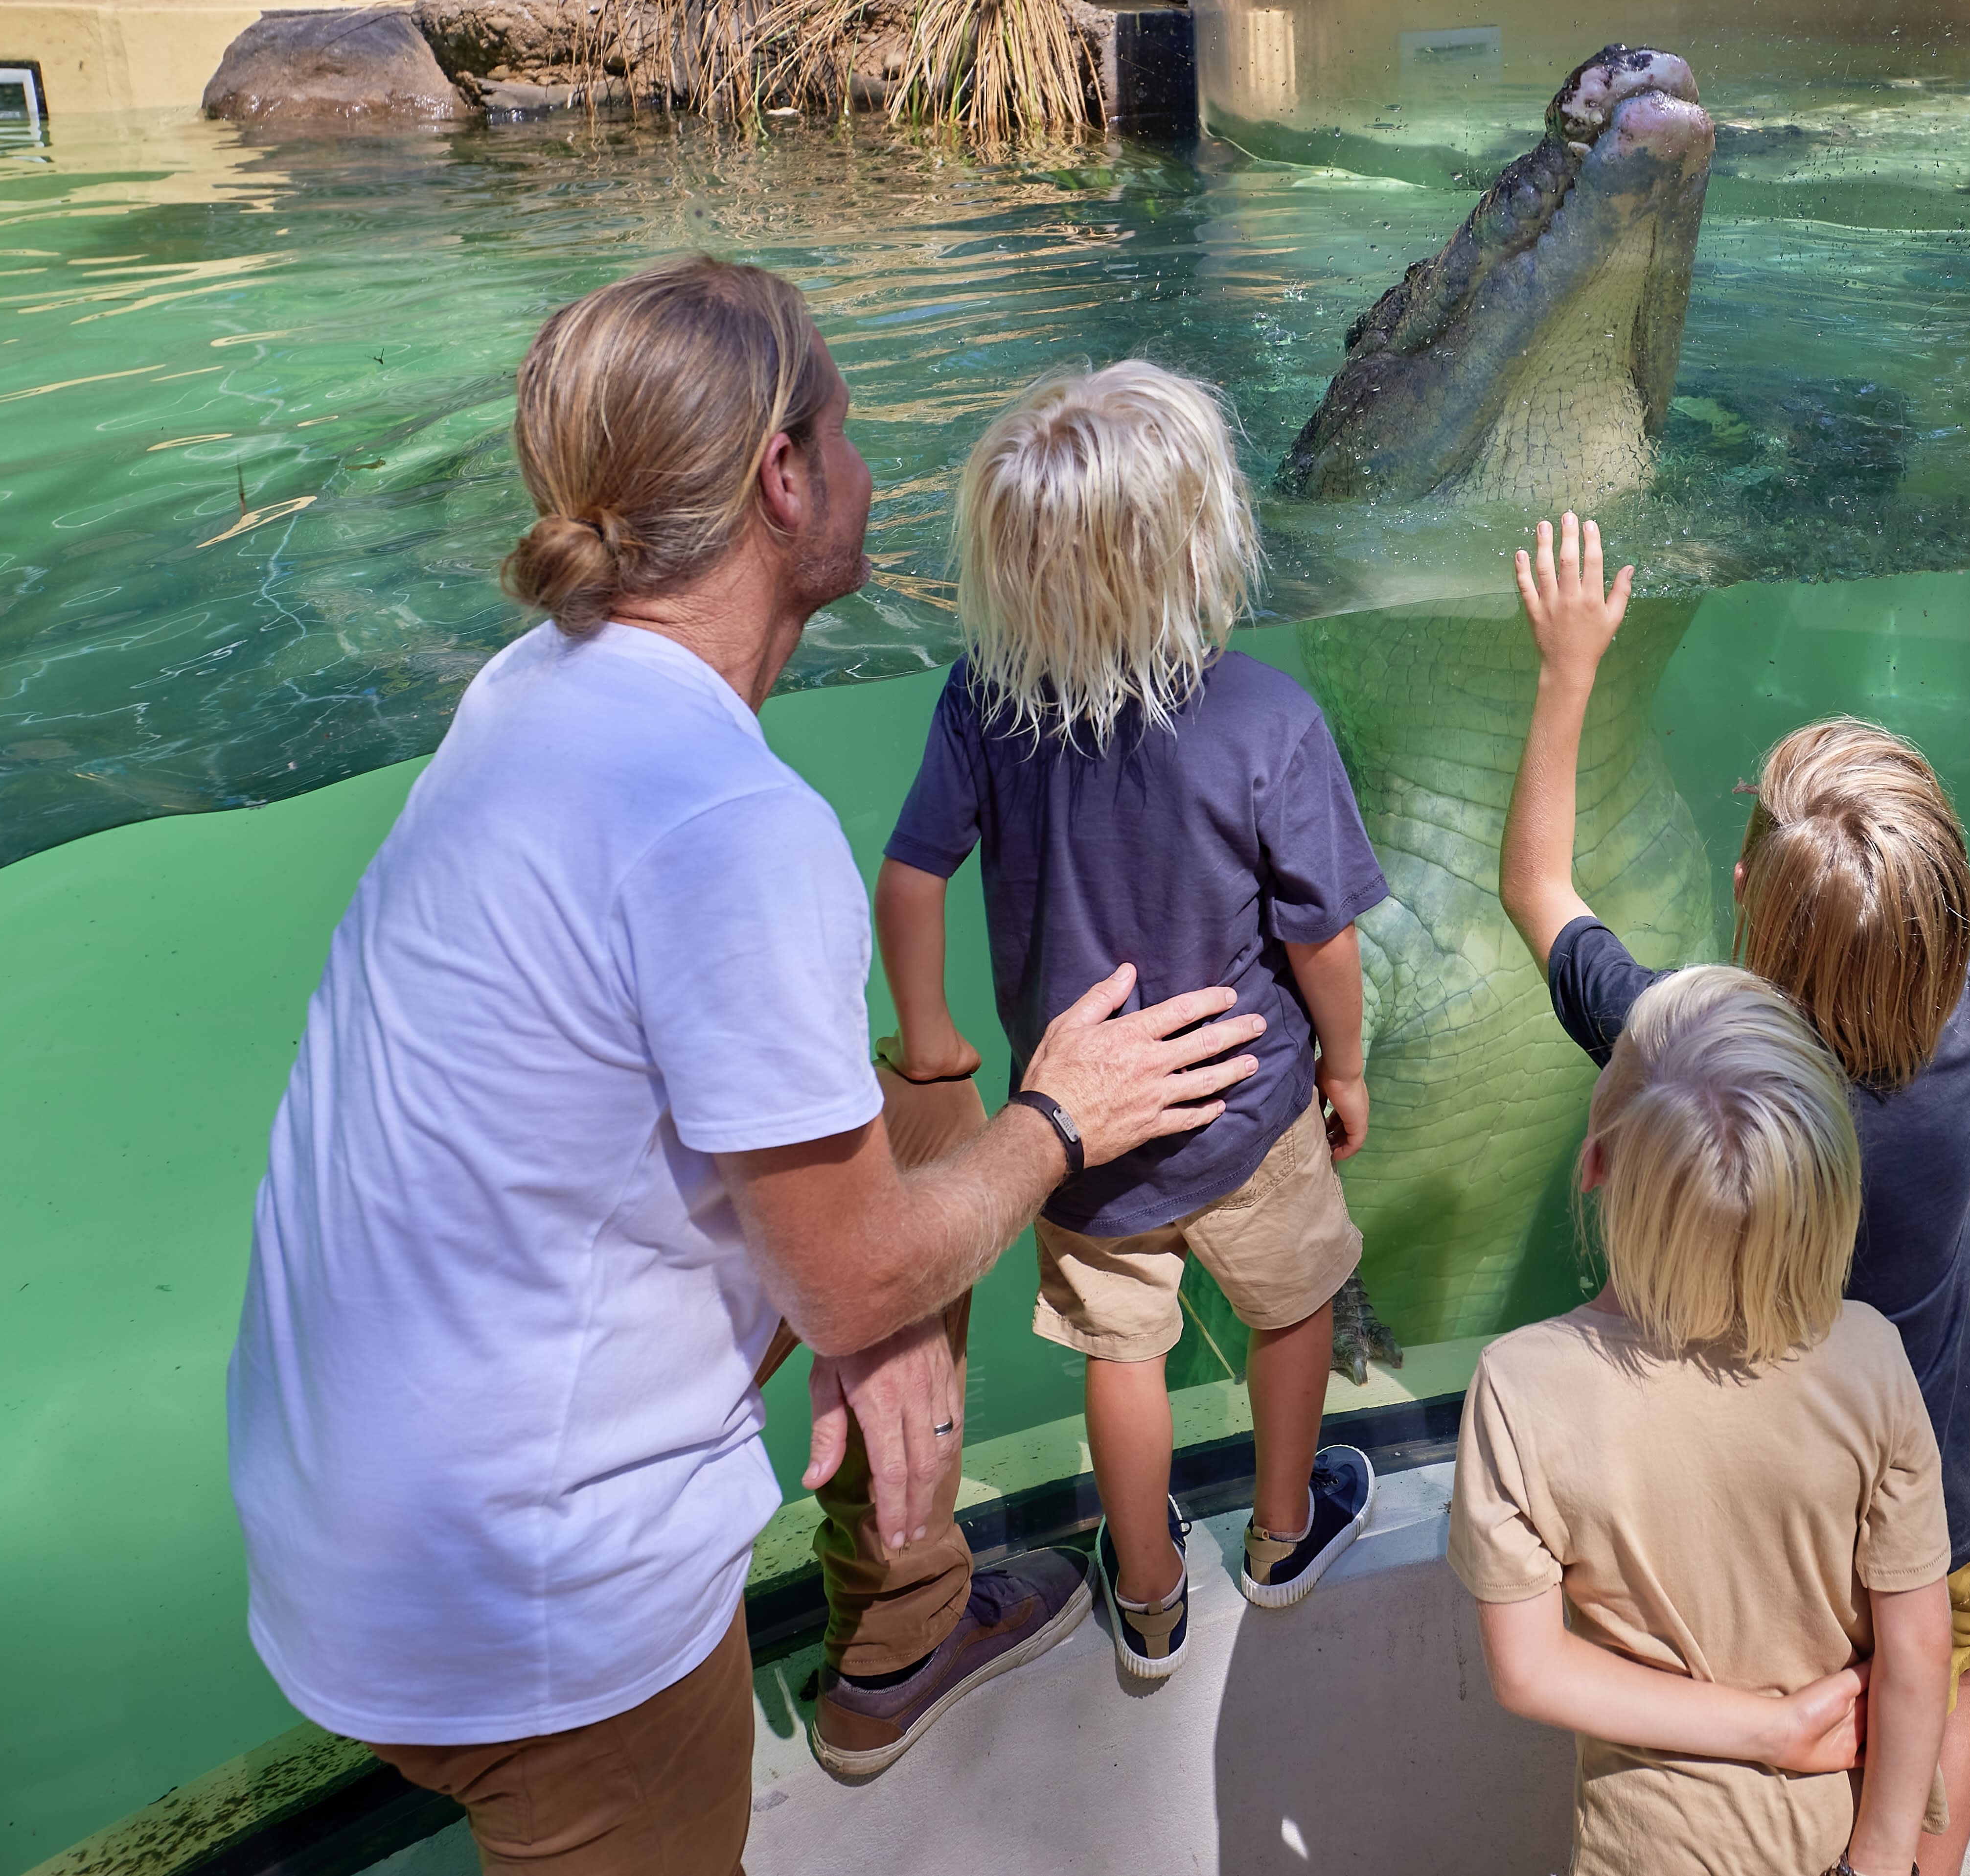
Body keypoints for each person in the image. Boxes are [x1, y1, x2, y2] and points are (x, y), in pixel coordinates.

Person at [227, 258, 1274, 1871]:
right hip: (541, 1622)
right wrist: (1061, 1115)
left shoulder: (533, 691)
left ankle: (904, 1613)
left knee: (882, 1152)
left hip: (346, 1527)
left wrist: (865, 1290)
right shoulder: (727, 824)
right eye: (846, 434)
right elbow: (853, 1270)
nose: (869, 474)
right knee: (928, 1189)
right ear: (784, 479)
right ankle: (901, 1612)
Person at [1498, 488, 1970, 1876]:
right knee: (1955, 1688)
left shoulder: (1682, 1050)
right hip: (1927, 1485)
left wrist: (1569, 670)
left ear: (1745, 892)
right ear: (1950, 921)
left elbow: (1538, 886)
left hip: (1746, 1512)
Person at [875, 361, 1389, 1683]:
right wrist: (1345, 1062)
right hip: (1250, 1107)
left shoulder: (984, 700)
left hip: (1079, 1132)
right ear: (1206, 537)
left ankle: (1149, 1596)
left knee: (1124, 1351)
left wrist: (931, 1037)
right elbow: (1323, 938)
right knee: (1296, 1307)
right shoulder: (1268, 716)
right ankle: (1282, 1536)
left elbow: (913, 873)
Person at [1453, 964, 1948, 1876]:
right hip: (1836, 1833)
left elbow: (1528, 1668)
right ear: (1824, 1188)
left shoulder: (1517, 1387)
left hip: (1650, 1848)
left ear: (1596, 1162)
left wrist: (1772, 1730)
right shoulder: (1871, 1357)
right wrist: (1874, 1862)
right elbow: (1920, 1644)